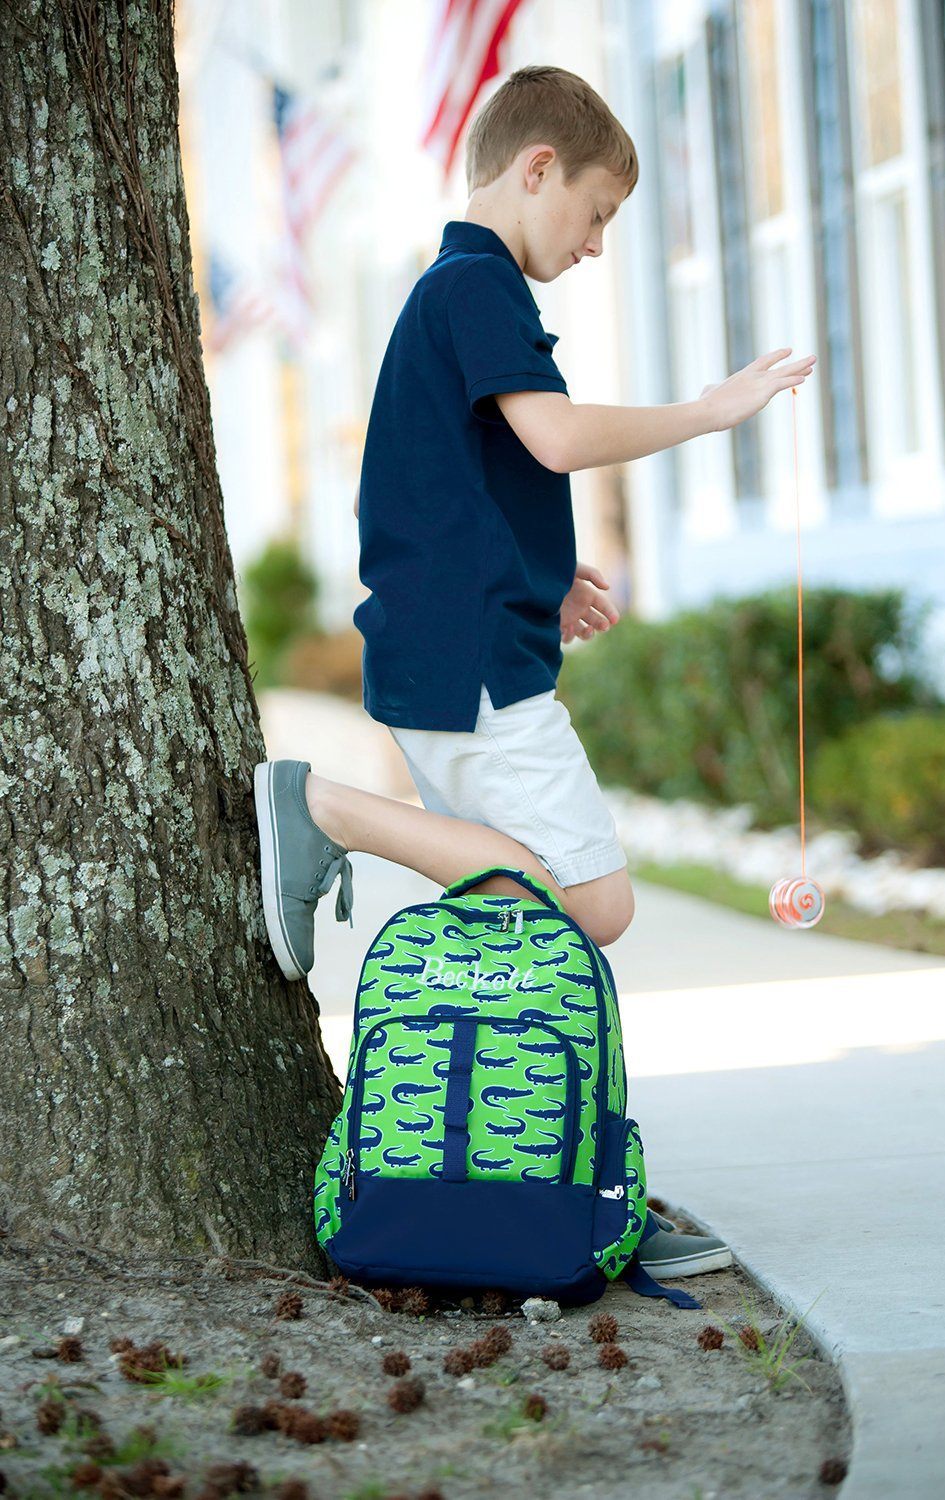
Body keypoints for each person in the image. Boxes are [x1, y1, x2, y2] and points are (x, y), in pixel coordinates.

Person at [254, 65, 815, 1279]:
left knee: (517, 930)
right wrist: (710, 410)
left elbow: (449, 472)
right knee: (591, 905)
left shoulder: (453, 293)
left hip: (450, 651)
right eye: (598, 213)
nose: (599, 244)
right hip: (472, 677)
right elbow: (551, 437)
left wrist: (540, 573)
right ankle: (322, 809)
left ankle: (555, 1170)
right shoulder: (477, 285)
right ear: (536, 169)